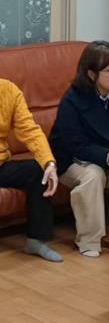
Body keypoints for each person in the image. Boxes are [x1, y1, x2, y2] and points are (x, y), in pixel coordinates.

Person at [50, 41, 109, 257]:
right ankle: (90, 240)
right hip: (72, 160)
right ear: (92, 74)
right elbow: (77, 145)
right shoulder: (73, 99)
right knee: (93, 175)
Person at [0, 78, 60, 261]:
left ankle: (36, 240)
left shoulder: (8, 90)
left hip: (1, 164)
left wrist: (49, 163)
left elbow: (30, 131)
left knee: (39, 171)